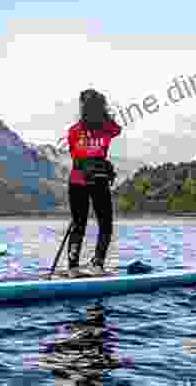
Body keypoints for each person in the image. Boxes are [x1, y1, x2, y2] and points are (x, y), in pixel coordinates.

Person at [66, 88, 122, 277]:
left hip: (77, 181)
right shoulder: (107, 128)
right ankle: (97, 265)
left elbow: (74, 154)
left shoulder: (73, 131)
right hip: (98, 181)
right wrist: (103, 114)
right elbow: (117, 128)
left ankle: (73, 268)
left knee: (78, 225)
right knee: (105, 225)